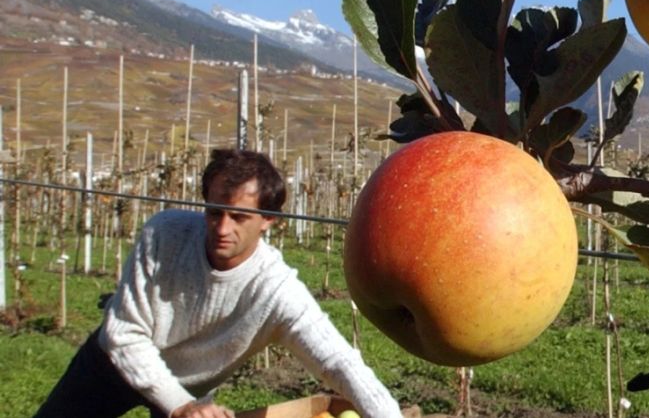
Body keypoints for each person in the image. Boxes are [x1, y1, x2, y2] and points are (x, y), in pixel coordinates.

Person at [35, 149, 403, 418]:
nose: (223, 228)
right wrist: (177, 403)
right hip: (112, 368)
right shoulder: (164, 236)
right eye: (214, 213)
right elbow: (124, 333)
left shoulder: (274, 289)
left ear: (269, 220)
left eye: (239, 217)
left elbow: (337, 361)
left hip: (192, 391)